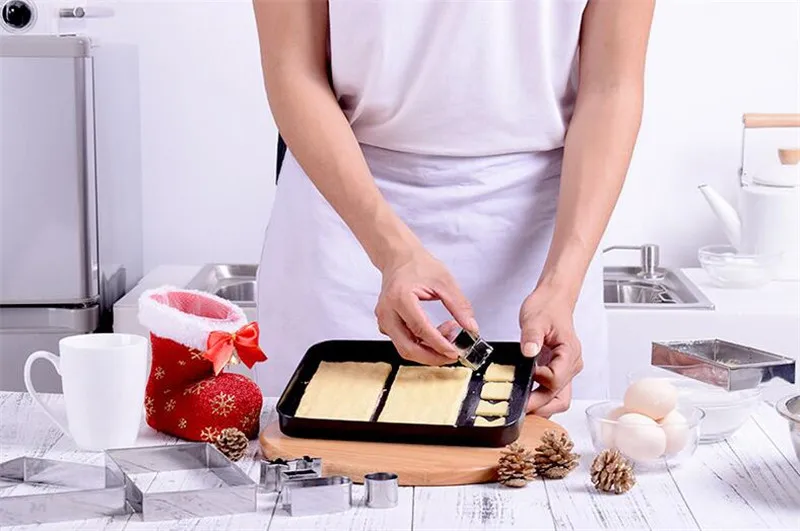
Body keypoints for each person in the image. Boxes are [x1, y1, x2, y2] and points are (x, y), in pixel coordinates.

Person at [252, 0, 655, 416]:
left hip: (542, 229)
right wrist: (392, 252)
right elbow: (293, 69)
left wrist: (561, 284)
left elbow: (612, 87)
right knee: (322, 441)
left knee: (540, 445)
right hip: (344, 219)